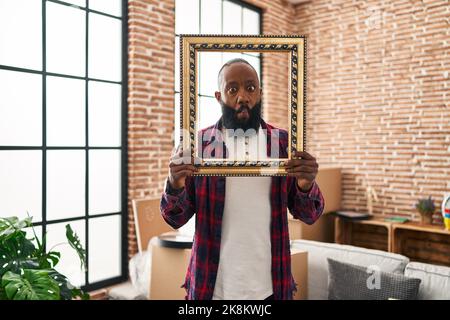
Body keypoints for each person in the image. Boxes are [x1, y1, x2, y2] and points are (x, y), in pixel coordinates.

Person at [160, 58, 324, 300]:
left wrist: (306, 185)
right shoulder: (199, 146)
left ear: (260, 93)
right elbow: (175, 218)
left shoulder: (282, 143)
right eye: (232, 89)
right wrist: (174, 184)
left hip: (270, 288)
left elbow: (310, 215)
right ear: (219, 96)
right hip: (211, 288)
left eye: (250, 87)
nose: (243, 97)